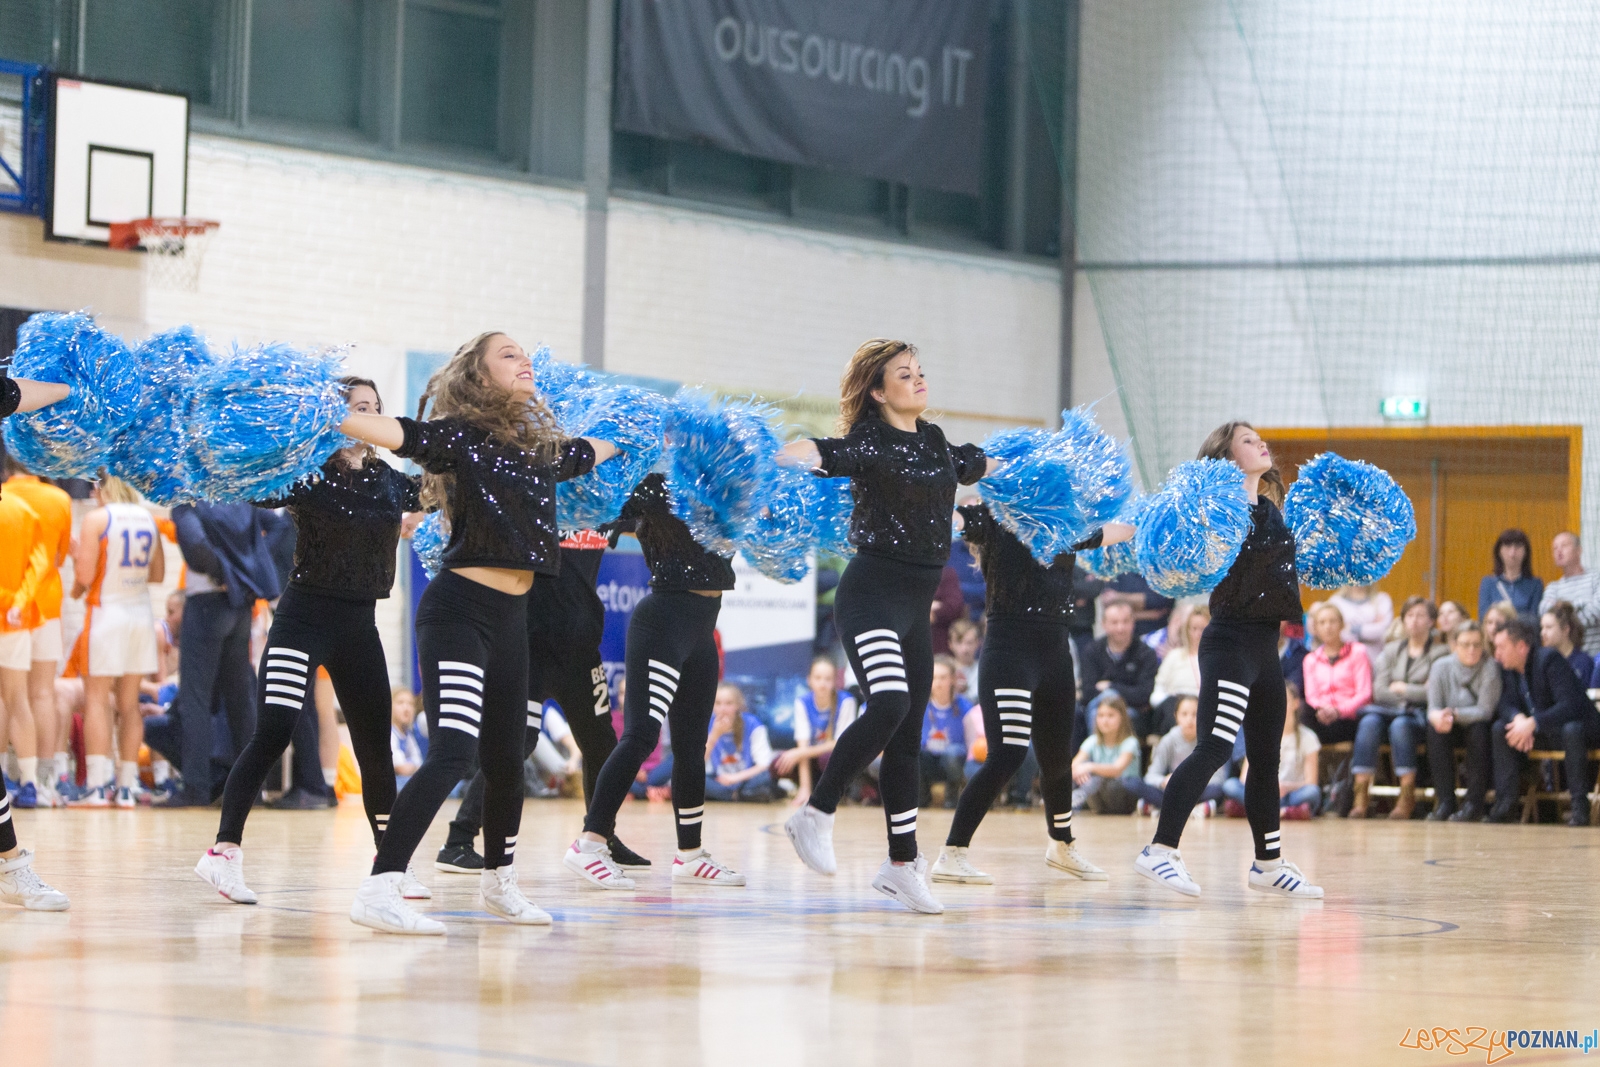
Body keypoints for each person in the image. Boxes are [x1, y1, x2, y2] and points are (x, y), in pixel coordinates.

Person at [336, 331, 618, 933]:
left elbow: (584, 454)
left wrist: (639, 438)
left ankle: (500, 883)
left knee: (506, 758)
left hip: (514, 619)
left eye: (525, 354)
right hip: (460, 611)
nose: (525, 361)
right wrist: (328, 416)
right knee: (453, 753)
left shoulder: (539, 448)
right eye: (509, 354)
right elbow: (402, 435)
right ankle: (381, 886)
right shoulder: (463, 436)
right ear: (480, 376)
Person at [780, 338, 997, 915]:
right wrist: (767, 453)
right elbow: (824, 452)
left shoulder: (933, 442)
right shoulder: (871, 441)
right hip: (870, 597)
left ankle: (903, 865)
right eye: (905, 374)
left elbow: (978, 464)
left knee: (907, 740)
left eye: (921, 370)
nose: (919, 379)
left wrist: (1040, 469)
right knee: (889, 703)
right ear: (879, 392)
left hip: (913, 611)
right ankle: (814, 812)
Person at [190, 378, 427, 903]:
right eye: (356, 408)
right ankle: (222, 854)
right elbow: (252, 487)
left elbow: (440, 495)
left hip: (359, 626)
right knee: (273, 728)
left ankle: (390, 864)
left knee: (373, 746)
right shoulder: (308, 475)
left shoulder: (393, 483)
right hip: (302, 620)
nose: (367, 416)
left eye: (374, 408)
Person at [1134, 422, 1323, 899]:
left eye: (1259, 437)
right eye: (1246, 439)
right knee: (1215, 748)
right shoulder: (1218, 510)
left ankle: (1268, 864)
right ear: (1226, 456)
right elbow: (1164, 532)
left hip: (1266, 647)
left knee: (1265, 758)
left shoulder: (1272, 511)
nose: (1261, 442)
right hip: (1229, 643)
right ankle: (1159, 850)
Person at [931, 500, 1132, 885]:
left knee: (1057, 760)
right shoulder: (993, 519)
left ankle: (1062, 845)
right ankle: (952, 852)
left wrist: (1155, 520)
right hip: (1009, 655)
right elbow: (947, 517)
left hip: (1056, 654)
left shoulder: (1064, 520)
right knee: (1007, 753)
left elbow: (1113, 531)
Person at [564, 472, 743, 890]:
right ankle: (589, 843)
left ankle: (691, 855)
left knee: (690, 746)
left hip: (703, 630)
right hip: (662, 623)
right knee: (641, 735)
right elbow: (601, 507)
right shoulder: (655, 486)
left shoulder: (724, 487)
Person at [438, 527, 644, 875]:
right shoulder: (544, 491)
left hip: (580, 656)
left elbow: (655, 505)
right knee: (517, 744)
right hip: (531, 648)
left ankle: (601, 837)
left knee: (603, 746)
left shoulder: (609, 499)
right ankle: (458, 841)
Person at [157, 501, 290, 807]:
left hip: (207, 604)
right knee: (240, 700)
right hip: (240, 605)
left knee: (196, 700)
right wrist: (249, 565)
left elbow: (197, 546)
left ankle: (196, 789)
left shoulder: (189, 500)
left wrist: (227, 573)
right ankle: (251, 791)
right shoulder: (238, 497)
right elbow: (280, 524)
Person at [0, 374, 71, 911]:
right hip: (33, 611)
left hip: (21, 613)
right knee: (33, 697)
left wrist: (76, 388)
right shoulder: (38, 505)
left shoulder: (16, 504)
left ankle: (12, 862)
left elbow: (18, 392)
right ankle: (42, 779)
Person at [64, 476, 166, 808]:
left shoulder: (97, 519)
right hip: (139, 615)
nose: (92, 494)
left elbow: (84, 577)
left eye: (94, 488)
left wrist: (77, 567)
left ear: (104, 488)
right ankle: (127, 786)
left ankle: (96, 785)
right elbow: (158, 575)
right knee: (129, 702)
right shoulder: (148, 517)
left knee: (96, 699)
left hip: (106, 616)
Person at [2, 459, 71, 809]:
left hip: (11, 606)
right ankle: (42, 780)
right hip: (42, 606)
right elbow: (54, 558)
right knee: (40, 694)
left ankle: (5, 778)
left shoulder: (9, 499)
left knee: (5, 697)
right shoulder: (57, 498)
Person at [1488, 617, 1600, 825]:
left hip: (1583, 731)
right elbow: (1503, 703)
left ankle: (1579, 808)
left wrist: (1533, 723)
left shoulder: (1548, 659)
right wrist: (1517, 717)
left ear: (1521, 647)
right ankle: (1506, 805)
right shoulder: (1507, 668)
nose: (1497, 654)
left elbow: (1570, 705)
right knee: (1500, 728)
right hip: (1546, 733)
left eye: (1501, 647)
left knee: (1572, 729)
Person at [1352, 596, 1447, 820]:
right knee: (1368, 722)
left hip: (1419, 715)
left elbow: (1432, 693)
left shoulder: (1440, 653)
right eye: (1409, 616)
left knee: (1400, 725)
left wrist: (1403, 688)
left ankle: (1407, 793)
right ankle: (1360, 793)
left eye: (1420, 615)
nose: (1414, 621)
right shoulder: (1392, 649)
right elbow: (1380, 690)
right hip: (1388, 710)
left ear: (1432, 621)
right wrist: (1412, 692)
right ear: (1403, 620)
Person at [0, 462, 49, 815]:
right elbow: (41, 563)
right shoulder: (25, 510)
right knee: (18, 698)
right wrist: (19, 601)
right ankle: (30, 781)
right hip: (15, 616)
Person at [1424, 621, 1501, 822]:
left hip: (1476, 724)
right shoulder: (1440, 666)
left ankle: (1473, 804)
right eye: (1465, 644)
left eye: (1476, 644)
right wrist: (1437, 717)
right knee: (1435, 731)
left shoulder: (1490, 667)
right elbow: (1433, 707)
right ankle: (1445, 801)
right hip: (1449, 723)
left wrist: (1455, 714)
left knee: (1479, 731)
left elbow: (1485, 711)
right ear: (1454, 645)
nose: (1472, 649)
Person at [1224, 682, 1323, 820]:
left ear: (1296, 704)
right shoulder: (1260, 734)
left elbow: (1311, 782)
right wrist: (1268, 787)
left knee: (1312, 793)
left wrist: (1285, 787)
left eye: (1284, 700)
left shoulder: (1308, 737)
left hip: (1290, 794)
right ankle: (1286, 812)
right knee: (1231, 785)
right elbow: (1244, 777)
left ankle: (1257, 811)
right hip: (1263, 793)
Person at [774, 656, 858, 807]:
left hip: (834, 759)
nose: (822, 683)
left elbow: (840, 744)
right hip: (812, 759)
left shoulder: (846, 701)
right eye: (818, 678)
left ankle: (841, 791)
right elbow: (803, 745)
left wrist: (799, 753)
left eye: (828, 679)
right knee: (779, 762)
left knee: (827, 757)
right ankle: (803, 789)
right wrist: (804, 789)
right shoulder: (802, 702)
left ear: (835, 682)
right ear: (809, 680)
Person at [1078, 600, 1160, 741]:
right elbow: (1087, 692)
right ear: (1104, 624)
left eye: (1125, 622)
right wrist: (1124, 692)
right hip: (1096, 708)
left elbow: (1144, 694)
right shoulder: (1091, 651)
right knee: (1094, 714)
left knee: (1111, 716)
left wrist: (1111, 687)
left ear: (1133, 623)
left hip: (1133, 711)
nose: (1120, 628)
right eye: (1114, 622)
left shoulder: (1146, 654)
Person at [1132, 696, 1226, 817]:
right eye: (1184, 714)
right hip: (1173, 790)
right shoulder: (1168, 740)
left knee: (1219, 790)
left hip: (1198, 790)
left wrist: (1194, 782)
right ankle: (1195, 810)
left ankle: (1162, 809)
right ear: (1176, 716)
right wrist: (1164, 781)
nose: (1190, 720)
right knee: (1133, 783)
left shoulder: (1209, 741)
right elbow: (1151, 776)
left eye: (1195, 714)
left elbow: (1218, 779)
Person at [1300, 602, 1373, 757]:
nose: (1328, 627)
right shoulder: (1310, 659)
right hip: (1322, 718)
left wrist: (1339, 710)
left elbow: (1364, 693)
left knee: (1368, 720)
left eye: (1333, 621)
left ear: (1342, 625)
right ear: (1316, 629)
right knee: (1301, 709)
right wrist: (1324, 709)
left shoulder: (1357, 652)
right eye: (1322, 622)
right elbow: (1311, 696)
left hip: (1349, 719)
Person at [704, 683, 778, 803]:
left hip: (745, 779)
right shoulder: (706, 726)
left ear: (737, 705)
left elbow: (763, 764)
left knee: (765, 777)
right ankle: (738, 795)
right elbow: (698, 764)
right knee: (694, 779)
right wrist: (714, 736)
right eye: (718, 703)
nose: (723, 708)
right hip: (719, 780)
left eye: (728, 703)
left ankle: (730, 795)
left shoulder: (753, 724)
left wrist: (734, 778)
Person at [1071, 695, 1141, 813]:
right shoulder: (1092, 740)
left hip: (1124, 794)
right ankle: (1074, 799)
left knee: (1107, 783)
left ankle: (1078, 798)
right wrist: (1080, 770)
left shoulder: (1130, 742)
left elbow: (1116, 770)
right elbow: (1073, 765)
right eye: (1101, 715)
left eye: (1110, 715)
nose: (1105, 720)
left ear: (1122, 718)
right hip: (1099, 793)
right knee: (1088, 779)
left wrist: (1089, 767)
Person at [918, 656, 970, 810]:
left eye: (943, 678)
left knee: (952, 752)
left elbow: (971, 744)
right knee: (915, 752)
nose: (938, 683)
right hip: (929, 761)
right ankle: (921, 797)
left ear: (953, 680)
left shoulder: (964, 707)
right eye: (934, 678)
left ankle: (952, 796)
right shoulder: (920, 706)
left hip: (954, 762)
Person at [1540, 533, 1600, 656]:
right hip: (1563, 660)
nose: (1559, 551)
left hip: (1595, 657)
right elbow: (1545, 613)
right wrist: (1582, 605)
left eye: (1564, 545)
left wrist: (1564, 617)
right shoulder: (1553, 587)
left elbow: (1596, 611)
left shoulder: (1596, 579)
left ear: (1579, 550)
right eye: (1555, 548)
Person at [1151, 606, 1208, 731]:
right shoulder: (1174, 656)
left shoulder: (1217, 660)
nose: (1198, 634)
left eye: (1203, 629)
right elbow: (1157, 691)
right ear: (1187, 630)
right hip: (1174, 707)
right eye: (1194, 629)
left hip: (1204, 707)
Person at [1479, 528, 1543, 624]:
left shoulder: (1535, 584)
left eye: (1518, 547)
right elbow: (1484, 618)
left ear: (1525, 552)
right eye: (1508, 546)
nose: (1512, 553)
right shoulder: (1488, 583)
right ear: (1499, 551)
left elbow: (1534, 620)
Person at [1327, 583, 1395, 663]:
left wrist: (1351, 628)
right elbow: (1333, 633)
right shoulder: (1335, 602)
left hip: (1374, 660)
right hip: (1343, 661)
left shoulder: (1382, 600)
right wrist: (1370, 626)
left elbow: (1384, 631)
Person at [1103, 571, 1174, 641]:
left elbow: (1159, 601)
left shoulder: (1159, 571)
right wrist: (1150, 614)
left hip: (1155, 634)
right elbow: (1109, 601)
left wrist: (1119, 597)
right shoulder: (1119, 569)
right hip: (1122, 636)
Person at [1541, 601, 1593, 683]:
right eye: (1542, 627)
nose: (1543, 633)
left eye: (1549, 627)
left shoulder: (1583, 663)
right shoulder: (1544, 663)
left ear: (1565, 629)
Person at [390, 688, 424, 788]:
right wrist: (414, 767)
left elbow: (419, 761)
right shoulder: (390, 733)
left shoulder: (408, 734)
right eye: (400, 703)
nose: (406, 708)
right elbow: (400, 767)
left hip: (406, 778)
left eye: (410, 704)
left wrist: (411, 766)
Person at [947, 618, 982, 701]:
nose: (964, 649)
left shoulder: (984, 670)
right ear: (950, 644)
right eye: (959, 642)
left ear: (978, 643)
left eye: (969, 642)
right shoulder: (943, 671)